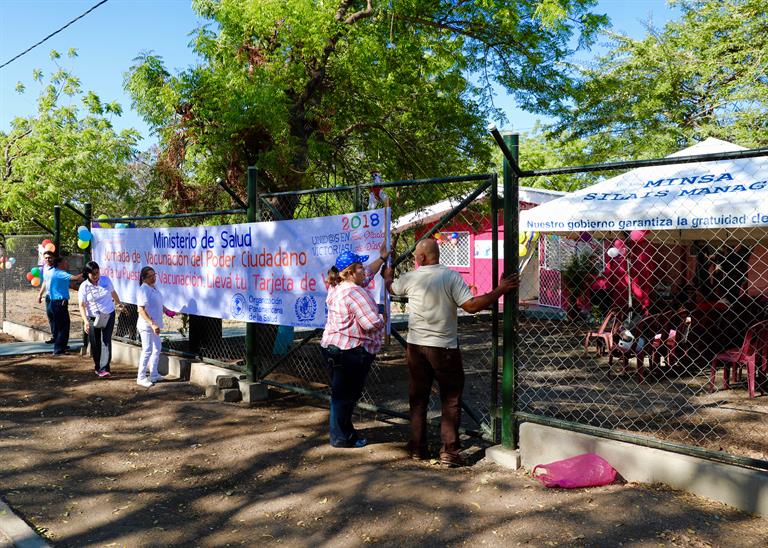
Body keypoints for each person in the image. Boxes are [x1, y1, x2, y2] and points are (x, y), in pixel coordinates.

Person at [383, 238, 518, 466]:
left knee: (418, 399)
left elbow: (390, 286)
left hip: (415, 347)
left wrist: (388, 271)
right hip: (444, 348)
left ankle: (417, 448)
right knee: (450, 399)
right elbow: (471, 306)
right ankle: (450, 452)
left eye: (416, 255)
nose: (415, 258)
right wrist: (500, 290)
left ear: (423, 258)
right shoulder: (450, 276)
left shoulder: (411, 277)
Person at [320, 246, 389, 448]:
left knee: (340, 394)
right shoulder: (355, 292)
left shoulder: (337, 285)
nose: (363, 269)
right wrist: (382, 316)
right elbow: (370, 323)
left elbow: (368, 274)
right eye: (359, 266)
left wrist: (382, 259)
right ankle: (341, 437)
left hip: (333, 347)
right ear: (350, 272)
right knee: (345, 396)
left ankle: (342, 433)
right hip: (350, 351)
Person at [78, 261, 124, 377]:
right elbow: (82, 305)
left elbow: (113, 293)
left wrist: (119, 304)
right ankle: (98, 366)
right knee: (95, 342)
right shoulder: (84, 286)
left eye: (97, 272)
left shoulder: (106, 280)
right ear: (87, 274)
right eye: (93, 273)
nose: (95, 275)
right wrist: (86, 321)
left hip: (108, 314)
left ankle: (105, 368)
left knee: (106, 340)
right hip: (93, 317)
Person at [136, 266, 172, 388]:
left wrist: (167, 311)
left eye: (154, 275)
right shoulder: (143, 290)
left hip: (154, 325)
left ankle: (154, 374)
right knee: (147, 350)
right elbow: (141, 309)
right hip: (146, 325)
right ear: (144, 278)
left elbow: (158, 303)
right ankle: (141, 377)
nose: (153, 277)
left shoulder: (154, 287)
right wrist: (152, 323)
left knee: (157, 348)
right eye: (150, 276)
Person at [47, 256, 84, 356]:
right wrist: (87, 272)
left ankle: (62, 347)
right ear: (60, 264)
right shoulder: (60, 273)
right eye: (65, 262)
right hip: (59, 303)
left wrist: (83, 289)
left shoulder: (57, 274)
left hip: (56, 303)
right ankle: (58, 349)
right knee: (63, 327)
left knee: (63, 326)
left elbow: (72, 286)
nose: (67, 263)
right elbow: (76, 278)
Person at [35, 250, 56, 344]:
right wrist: (40, 294)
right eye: (46, 258)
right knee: (51, 317)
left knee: (57, 318)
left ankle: (60, 340)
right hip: (48, 296)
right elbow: (44, 282)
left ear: (53, 258)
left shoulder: (57, 268)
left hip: (57, 298)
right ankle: (54, 336)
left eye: (50, 257)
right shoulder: (46, 268)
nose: (48, 259)